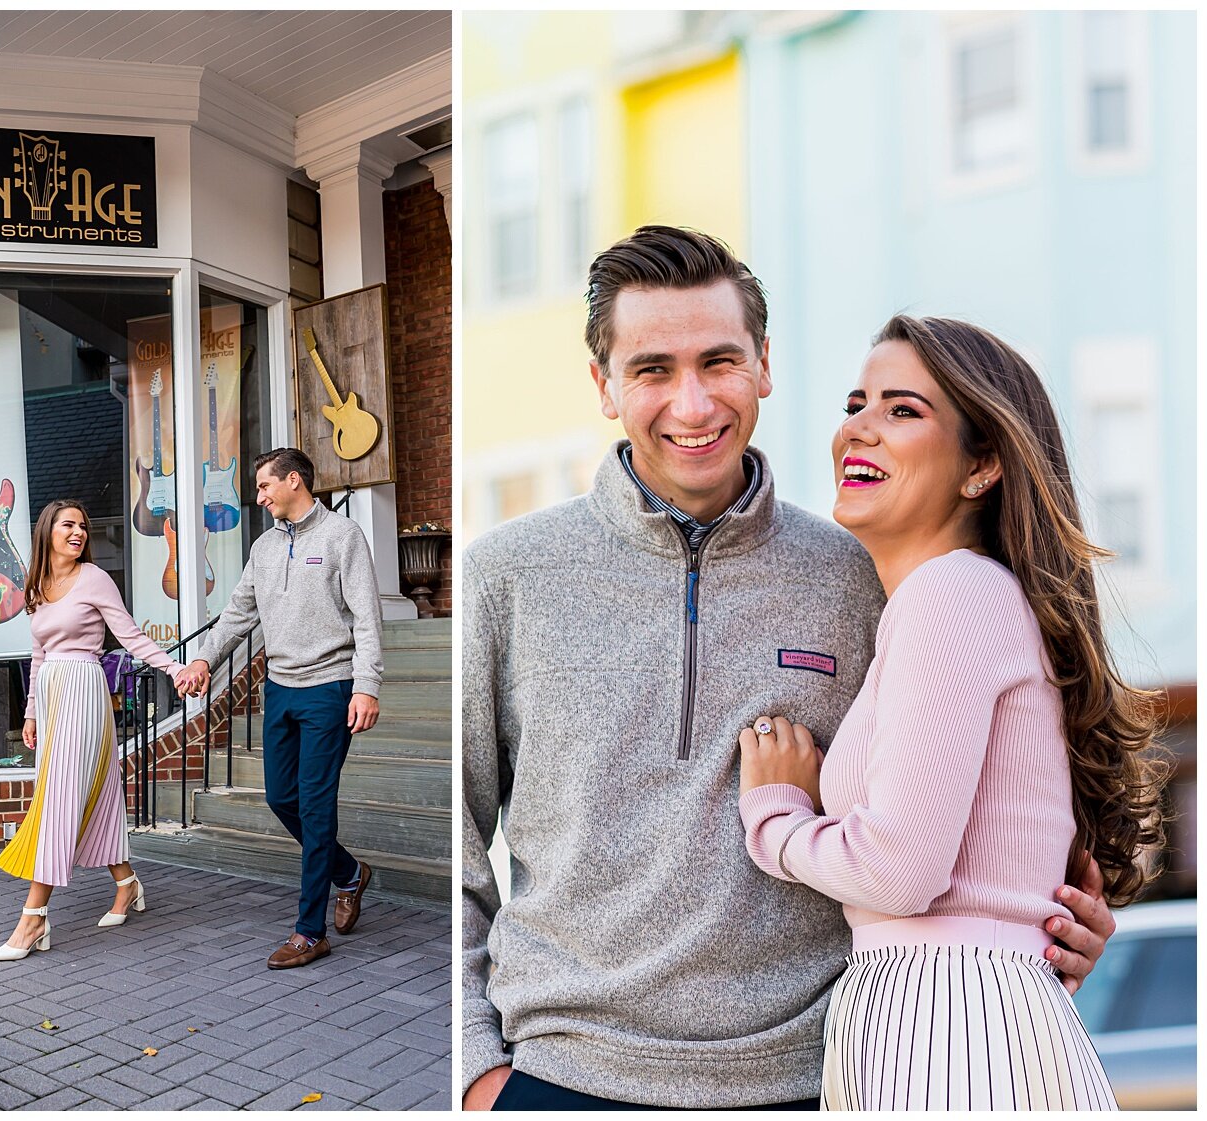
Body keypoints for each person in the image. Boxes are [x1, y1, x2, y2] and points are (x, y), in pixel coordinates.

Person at [461, 227, 1118, 1110]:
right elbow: (454, 834)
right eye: (652, 369)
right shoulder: (506, 574)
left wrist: (1052, 920)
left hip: (816, 1079)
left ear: (764, 364)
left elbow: (982, 803)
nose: (692, 405)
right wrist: (474, 1067)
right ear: (605, 385)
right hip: (563, 1077)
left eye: (720, 362)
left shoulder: (870, 574)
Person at [738, 315, 1163, 1109]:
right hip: (943, 1016)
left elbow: (899, 869)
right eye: (856, 401)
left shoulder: (952, 593)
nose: (857, 428)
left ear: (982, 466)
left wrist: (774, 816)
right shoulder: (955, 602)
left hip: (949, 1023)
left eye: (903, 410)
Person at [179, 448, 383, 969]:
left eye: (266, 486)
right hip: (280, 688)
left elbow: (366, 617)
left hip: (329, 689)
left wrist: (367, 685)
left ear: (295, 481)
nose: (260, 495)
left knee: (316, 808)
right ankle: (351, 874)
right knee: (281, 798)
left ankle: (309, 931)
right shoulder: (264, 547)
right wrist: (203, 659)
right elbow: (236, 614)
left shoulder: (342, 537)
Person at [0, 499, 205, 962]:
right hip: (49, 697)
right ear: (47, 530)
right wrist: (29, 713)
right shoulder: (38, 585)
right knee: (97, 794)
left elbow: (130, 636)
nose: (79, 532)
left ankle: (34, 918)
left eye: (83, 526)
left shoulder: (95, 579)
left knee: (57, 798)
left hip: (85, 690)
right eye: (69, 524)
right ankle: (127, 885)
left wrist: (174, 668)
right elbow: (38, 656)